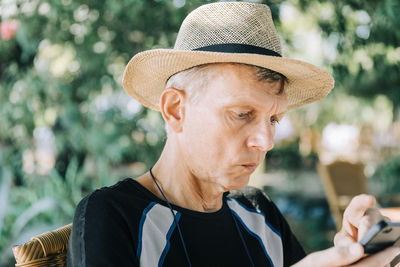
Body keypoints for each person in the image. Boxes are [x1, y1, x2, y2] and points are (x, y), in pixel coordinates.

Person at [66, 2, 400, 266]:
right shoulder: (114, 215)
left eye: (273, 120)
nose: (265, 142)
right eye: (242, 114)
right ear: (175, 110)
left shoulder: (258, 213)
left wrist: (352, 254)